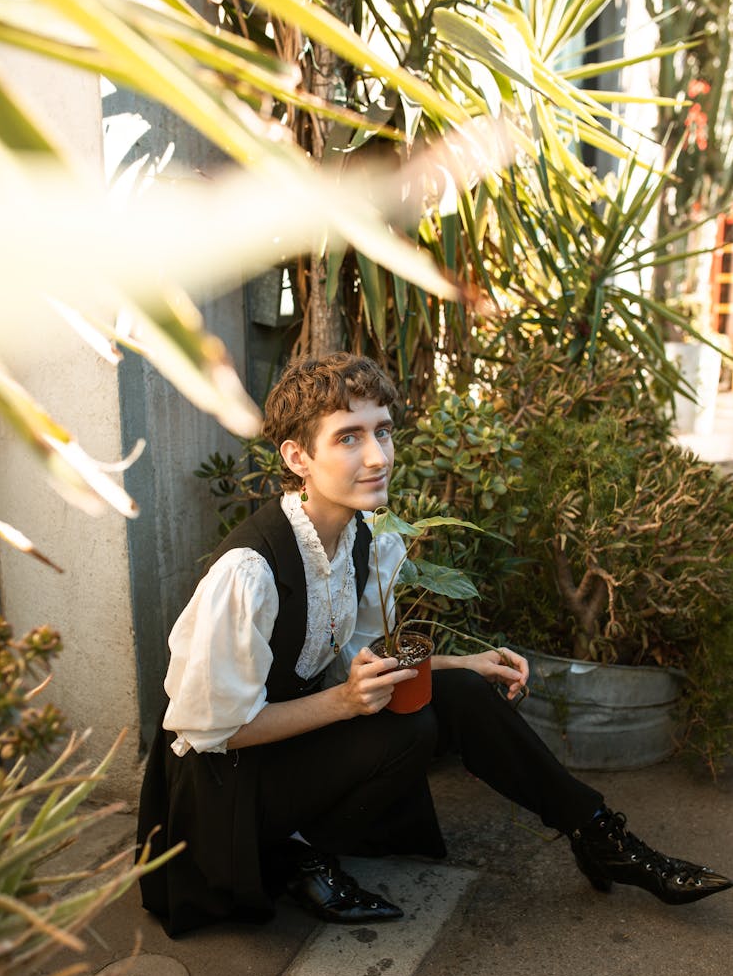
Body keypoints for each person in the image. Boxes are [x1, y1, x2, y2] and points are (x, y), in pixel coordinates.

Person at [137, 353, 731, 935]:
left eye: (383, 432)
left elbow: (362, 664)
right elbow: (212, 730)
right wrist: (343, 704)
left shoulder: (360, 541)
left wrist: (461, 663)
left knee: (458, 692)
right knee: (410, 727)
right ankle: (295, 856)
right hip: (221, 789)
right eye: (348, 438)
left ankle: (600, 835)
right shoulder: (249, 571)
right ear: (298, 457)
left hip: (284, 752)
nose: (377, 457)